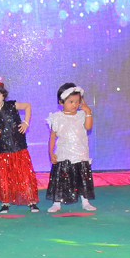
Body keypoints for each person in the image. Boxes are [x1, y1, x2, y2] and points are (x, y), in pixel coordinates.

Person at [0, 79, 39, 213]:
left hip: (19, 146)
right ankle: (5, 202)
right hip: (2, 149)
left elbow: (27, 105)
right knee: (4, 176)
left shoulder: (11, 105)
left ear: (3, 95)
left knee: (24, 173)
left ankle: (31, 200)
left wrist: (26, 122)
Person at [46, 82, 95, 213]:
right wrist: (51, 152)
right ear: (61, 102)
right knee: (61, 179)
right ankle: (56, 203)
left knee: (82, 179)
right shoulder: (57, 117)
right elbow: (52, 136)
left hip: (80, 153)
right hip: (64, 154)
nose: (74, 105)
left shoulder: (82, 115)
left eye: (77, 101)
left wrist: (88, 111)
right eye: (71, 101)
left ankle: (85, 202)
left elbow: (88, 127)